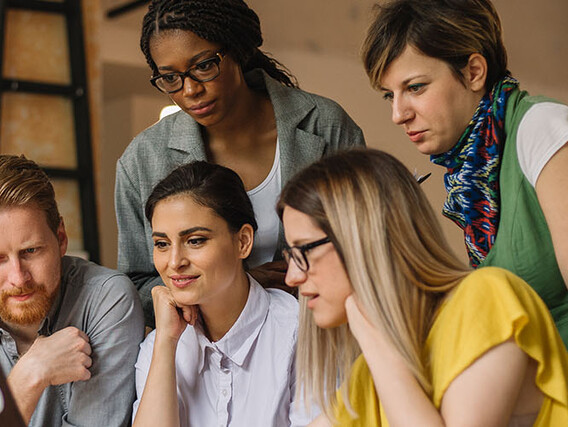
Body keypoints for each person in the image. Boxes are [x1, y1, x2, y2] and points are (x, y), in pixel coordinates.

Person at [115, 0, 366, 326]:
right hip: (209, 352)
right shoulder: (143, 160)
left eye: (204, 66)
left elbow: (368, 246)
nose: (190, 90)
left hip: (321, 339)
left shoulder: (325, 127)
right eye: (170, 78)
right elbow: (136, 286)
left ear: (238, 50)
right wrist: (239, 287)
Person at [278, 148, 568, 426]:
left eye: (304, 251)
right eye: (290, 255)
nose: (292, 277)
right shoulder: (371, 372)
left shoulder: (486, 297)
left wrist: (371, 333)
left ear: (363, 239)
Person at [361, 0, 568, 347]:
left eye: (415, 87)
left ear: (473, 72)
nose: (398, 114)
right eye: (389, 96)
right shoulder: (471, 175)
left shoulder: (541, 129)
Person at [0, 155, 145, 426]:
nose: (18, 278)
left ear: (61, 238)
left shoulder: (107, 300)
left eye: (31, 251)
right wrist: (30, 376)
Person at [133, 161, 312, 427]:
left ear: (243, 241)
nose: (174, 261)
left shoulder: (300, 334)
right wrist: (166, 344)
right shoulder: (158, 347)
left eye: (195, 240)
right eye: (161, 244)